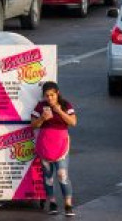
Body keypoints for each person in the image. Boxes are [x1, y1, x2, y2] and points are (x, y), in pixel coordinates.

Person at [31, 81, 77, 217]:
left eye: (52, 95)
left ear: (57, 93)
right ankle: (52, 202)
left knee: (62, 176)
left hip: (61, 145)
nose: (49, 98)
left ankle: (68, 204)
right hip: (45, 145)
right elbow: (33, 125)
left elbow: (73, 122)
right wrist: (42, 119)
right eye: (47, 95)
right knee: (48, 177)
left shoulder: (66, 105)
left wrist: (59, 111)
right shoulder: (40, 106)